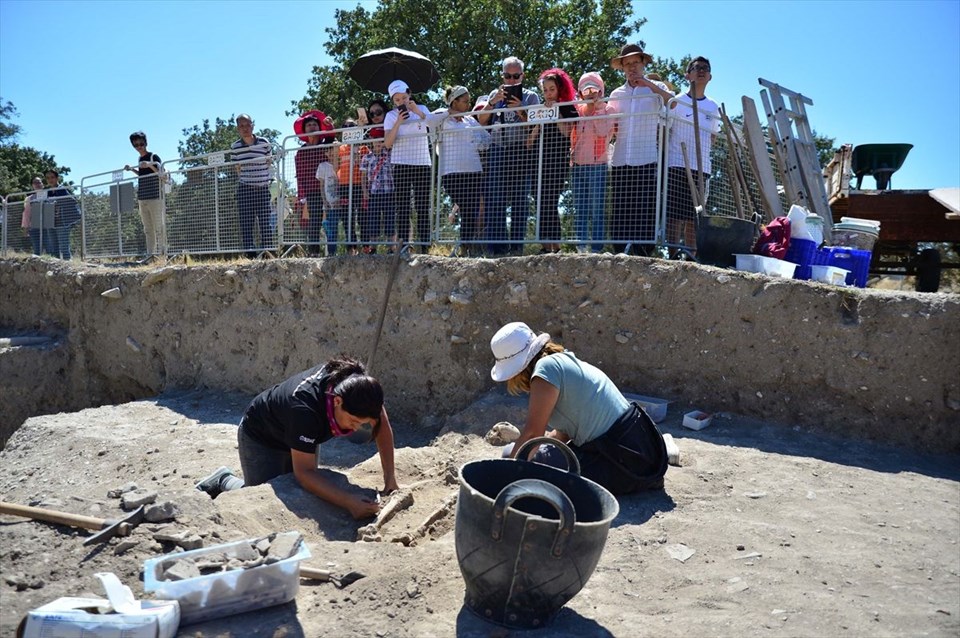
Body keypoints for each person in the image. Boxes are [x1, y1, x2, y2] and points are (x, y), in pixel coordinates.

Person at [195, 357, 399, 520]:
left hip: (299, 431)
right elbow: (305, 473)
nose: (356, 428)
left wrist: (390, 479)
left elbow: (382, 426)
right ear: (337, 401)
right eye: (353, 421)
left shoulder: (360, 390)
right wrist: (348, 501)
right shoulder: (304, 409)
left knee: (304, 494)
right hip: (262, 436)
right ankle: (224, 480)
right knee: (263, 500)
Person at [489, 321, 668, 495]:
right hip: (640, 450)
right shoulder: (562, 361)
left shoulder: (545, 370)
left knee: (518, 464)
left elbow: (532, 434)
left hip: (618, 458)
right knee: (513, 454)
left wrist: (508, 477)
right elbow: (564, 433)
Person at [607, 44, 675, 255]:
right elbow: (609, 121)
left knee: (645, 206)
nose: (631, 67)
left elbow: (671, 103)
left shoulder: (655, 88)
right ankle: (620, 251)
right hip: (621, 158)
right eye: (627, 64)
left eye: (635, 62)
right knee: (621, 206)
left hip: (646, 157)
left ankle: (643, 252)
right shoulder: (617, 93)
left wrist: (646, 83)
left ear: (643, 63)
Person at [476, 56, 541, 255]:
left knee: (520, 199)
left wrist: (520, 110)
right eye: (507, 76)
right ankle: (497, 247)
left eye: (515, 76)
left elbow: (534, 126)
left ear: (523, 75)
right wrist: (491, 102)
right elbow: (481, 121)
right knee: (495, 198)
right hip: (497, 149)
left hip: (520, 150)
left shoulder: (531, 96)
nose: (511, 80)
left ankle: (517, 248)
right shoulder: (494, 95)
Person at [665, 57, 720, 255]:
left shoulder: (713, 107)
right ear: (688, 75)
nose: (701, 71)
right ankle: (671, 253)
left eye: (705, 68)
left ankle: (691, 255)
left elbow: (713, 136)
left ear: (710, 76)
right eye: (696, 68)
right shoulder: (677, 102)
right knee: (674, 213)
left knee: (694, 215)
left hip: (702, 166)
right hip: (677, 163)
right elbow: (667, 130)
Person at [525, 68, 578, 253]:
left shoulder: (567, 107)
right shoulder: (539, 108)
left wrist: (555, 112)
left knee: (550, 200)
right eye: (545, 90)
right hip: (537, 161)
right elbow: (529, 142)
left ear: (559, 89)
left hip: (556, 161)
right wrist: (539, 121)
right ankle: (545, 245)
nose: (548, 93)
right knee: (539, 200)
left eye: (552, 89)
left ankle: (556, 245)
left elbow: (566, 132)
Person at [434, 85, 490, 256]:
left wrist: (475, 141)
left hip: (473, 171)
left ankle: (466, 247)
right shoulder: (443, 118)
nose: (467, 105)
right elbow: (428, 120)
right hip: (451, 172)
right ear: (454, 102)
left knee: (470, 209)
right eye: (465, 101)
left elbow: (486, 141)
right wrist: (448, 112)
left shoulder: (470, 120)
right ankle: (464, 245)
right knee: (465, 205)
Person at [383, 80, 432, 252]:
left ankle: (425, 246)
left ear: (409, 94)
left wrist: (417, 111)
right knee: (402, 207)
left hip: (422, 162)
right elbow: (387, 144)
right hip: (401, 163)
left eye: (404, 97)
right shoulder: (390, 116)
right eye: (397, 100)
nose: (401, 102)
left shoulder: (423, 109)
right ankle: (403, 247)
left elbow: (433, 126)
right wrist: (398, 122)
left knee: (422, 205)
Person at [571, 72, 614, 253]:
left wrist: (595, 109)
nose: (591, 93)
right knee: (579, 207)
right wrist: (586, 108)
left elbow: (604, 132)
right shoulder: (576, 110)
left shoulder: (609, 110)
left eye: (594, 89)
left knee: (597, 208)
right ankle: (581, 246)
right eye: (586, 89)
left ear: (601, 90)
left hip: (598, 165)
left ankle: (596, 248)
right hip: (578, 165)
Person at [230, 113, 275, 257]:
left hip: (262, 188)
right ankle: (250, 254)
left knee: (265, 222)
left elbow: (269, 162)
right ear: (238, 128)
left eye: (248, 124)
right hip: (245, 189)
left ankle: (268, 252)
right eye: (241, 126)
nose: (245, 128)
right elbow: (237, 168)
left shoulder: (264, 142)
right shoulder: (235, 147)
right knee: (246, 223)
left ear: (253, 125)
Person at [293, 110, 335, 256]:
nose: (312, 127)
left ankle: (332, 252)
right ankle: (313, 253)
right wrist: (301, 196)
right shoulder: (300, 152)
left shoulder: (326, 145)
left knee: (332, 221)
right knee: (314, 222)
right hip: (312, 192)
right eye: (309, 125)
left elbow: (331, 135)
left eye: (314, 124)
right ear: (304, 130)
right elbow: (300, 176)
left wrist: (329, 125)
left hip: (329, 189)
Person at [124, 131, 165, 258]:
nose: (139, 147)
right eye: (136, 145)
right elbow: (142, 175)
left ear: (145, 143)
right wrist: (132, 169)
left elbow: (161, 174)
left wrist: (149, 165)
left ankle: (163, 255)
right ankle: (150, 255)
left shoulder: (154, 157)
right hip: (143, 197)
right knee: (148, 229)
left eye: (141, 143)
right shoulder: (139, 158)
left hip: (155, 196)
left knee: (159, 227)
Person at [359, 122, 394, 253]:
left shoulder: (390, 154)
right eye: (376, 141)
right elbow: (363, 176)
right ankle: (373, 247)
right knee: (373, 219)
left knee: (389, 219)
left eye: (380, 140)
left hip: (389, 191)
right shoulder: (366, 158)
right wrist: (364, 191)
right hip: (374, 192)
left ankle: (391, 247)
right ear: (372, 142)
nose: (378, 144)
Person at [336, 119, 368, 253]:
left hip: (358, 186)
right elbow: (335, 165)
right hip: (343, 186)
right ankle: (351, 248)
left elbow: (364, 168)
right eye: (345, 126)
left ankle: (367, 247)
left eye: (352, 126)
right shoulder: (340, 148)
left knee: (362, 217)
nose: (348, 128)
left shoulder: (363, 148)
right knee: (346, 217)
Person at [44, 169, 79, 260]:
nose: (50, 180)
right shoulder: (48, 192)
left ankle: (68, 265)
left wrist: (57, 202)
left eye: (52, 177)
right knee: (53, 247)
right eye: (48, 178)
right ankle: (55, 266)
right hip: (51, 221)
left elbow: (72, 201)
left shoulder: (62, 189)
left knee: (64, 246)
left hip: (62, 222)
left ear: (57, 178)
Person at [314, 142, 340, 256]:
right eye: (329, 151)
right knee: (330, 228)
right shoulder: (323, 166)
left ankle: (345, 251)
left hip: (340, 201)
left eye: (333, 150)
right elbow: (321, 185)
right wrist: (324, 200)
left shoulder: (340, 164)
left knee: (339, 227)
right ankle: (331, 252)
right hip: (328, 202)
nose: (331, 153)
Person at [21, 176, 53, 256]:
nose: (37, 184)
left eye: (39, 182)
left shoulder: (49, 195)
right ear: (32, 185)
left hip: (48, 226)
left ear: (43, 184)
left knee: (50, 249)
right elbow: (26, 214)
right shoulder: (29, 198)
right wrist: (26, 228)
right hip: (34, 226)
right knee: (37, 250)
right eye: (35, 183)